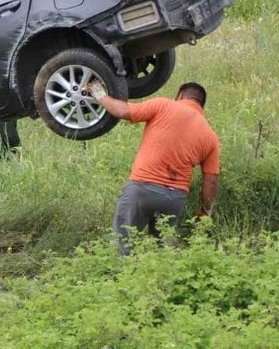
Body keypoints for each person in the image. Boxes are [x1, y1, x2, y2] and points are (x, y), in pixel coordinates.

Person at [87, 79, 220, 254]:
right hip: (174, 199)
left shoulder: (164, 105)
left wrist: (98, 93)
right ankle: (158, 280)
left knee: (123, 244)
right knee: (161, 250)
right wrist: (205, 210)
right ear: (201, 105)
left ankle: (122, 276)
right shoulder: (211, 136)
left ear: (180, 96)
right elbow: (210, 182)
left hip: (142, 189)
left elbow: (122, 110)